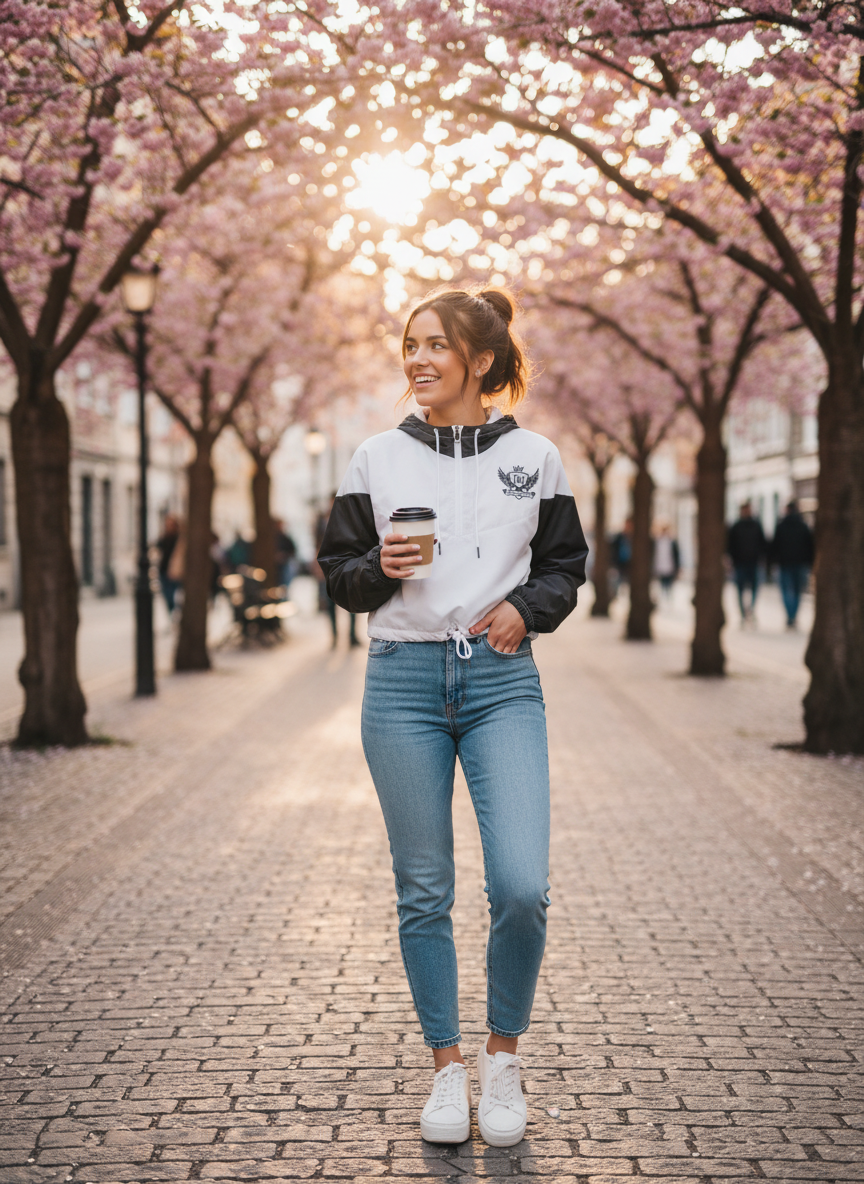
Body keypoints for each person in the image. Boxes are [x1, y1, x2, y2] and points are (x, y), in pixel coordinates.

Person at [318, 287, 588, 1149]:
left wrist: (527, 608)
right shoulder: (374, 458)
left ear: (480, 360)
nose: (418, 361)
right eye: (410, 345)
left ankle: (502, 1057)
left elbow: (565, 565)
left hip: (502, 679)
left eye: (436, 346)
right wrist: (378, 569)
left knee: (520, 887)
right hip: (401, 680)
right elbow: (338, 572)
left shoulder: (537, 457)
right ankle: (446, 1070)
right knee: (423, 889)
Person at [314, 499, 359, 648]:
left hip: (347, 565)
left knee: (352, 601)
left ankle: (352, 636)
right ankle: (334, 637)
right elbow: (316, 545)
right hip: (327, 568)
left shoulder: (350, 519)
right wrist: (317, 567)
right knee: (330, 603)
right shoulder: (321, 521)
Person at [771, 500, 814, 629]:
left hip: (784, 563)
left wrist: (774, 560)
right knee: (797, 591)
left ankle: (790, 615)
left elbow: (775, 545)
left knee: (785, 590)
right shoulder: (803, 525)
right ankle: (793, 615)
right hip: (800, 563)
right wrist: (809, 562)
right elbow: (810, 546)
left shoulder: (781, 525)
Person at [727, 501, 766, 624]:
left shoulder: (756, 525)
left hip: (753, 562)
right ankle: (743, 613)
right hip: (739, 563)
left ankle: (751, 609)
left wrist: (762, 558)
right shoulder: (736, 526)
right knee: (740, 589)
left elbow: (762, 543)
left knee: (754, 587)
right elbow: (730, 544)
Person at [156, 513, 182, 614]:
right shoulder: (163, 538)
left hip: (174, 571)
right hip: (163, 570)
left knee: (174, 595)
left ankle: (175, 613)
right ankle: (172, 614)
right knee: (166, 595)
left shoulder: (179, 539)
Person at [653, 523, 680, 597]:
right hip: (660, 567)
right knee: (662, 586)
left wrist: (678, 567)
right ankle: (663, 599)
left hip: (670, 567)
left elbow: (676, 555)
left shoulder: (672, 542)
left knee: (669, 586)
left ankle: (668, 600)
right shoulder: (657, 541)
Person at [274, 519, 298, 590]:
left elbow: (293, 551)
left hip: (285, 563)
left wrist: (284, 555)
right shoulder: (273, 538)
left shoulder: (285, 538)